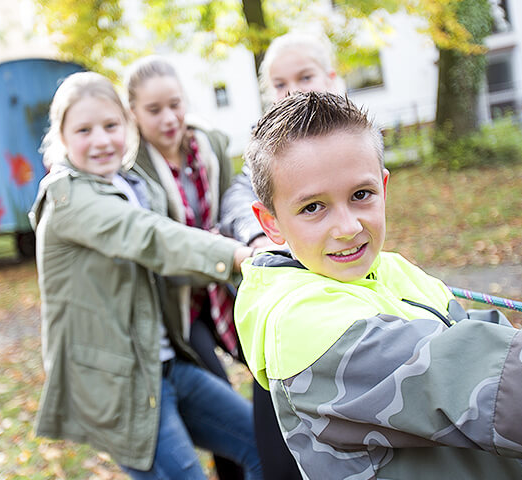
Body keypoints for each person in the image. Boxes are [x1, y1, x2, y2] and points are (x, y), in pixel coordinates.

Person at [235, 90, 522, 479]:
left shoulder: (390, 269)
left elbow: (488, 337)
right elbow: (499, 387)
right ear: (270, 223)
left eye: (360, 195)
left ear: (383, 189)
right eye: (312, 207)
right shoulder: (303, 326)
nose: (348, 228)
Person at [31, 71, 263, 480]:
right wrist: (237, 255)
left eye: (110, 125)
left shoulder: (130, 185)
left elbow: (163, 266)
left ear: (127, 126)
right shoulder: (68, 196)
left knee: (261, 446)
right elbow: (150, 238)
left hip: (167, 364)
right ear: (62, 136)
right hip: (122, 383)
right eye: (84, 130)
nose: (101, 140)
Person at [218, 30, 343, 480]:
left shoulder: (351, 141)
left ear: (331, 78)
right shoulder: (268, 153)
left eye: (304, 77)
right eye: (279, 83)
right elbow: (239, 195)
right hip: (289, 327)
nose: (291, 91)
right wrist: (260, 238)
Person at [124, 54, 249, 480]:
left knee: (272, 374)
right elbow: (153, 244)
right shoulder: (131, 168)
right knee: (220, 390)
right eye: (154, 110)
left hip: (225, 285)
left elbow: (230, 207)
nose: (169, 118)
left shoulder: (210, 145)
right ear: (134, 114)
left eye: (175, 104)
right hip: (178, 301)